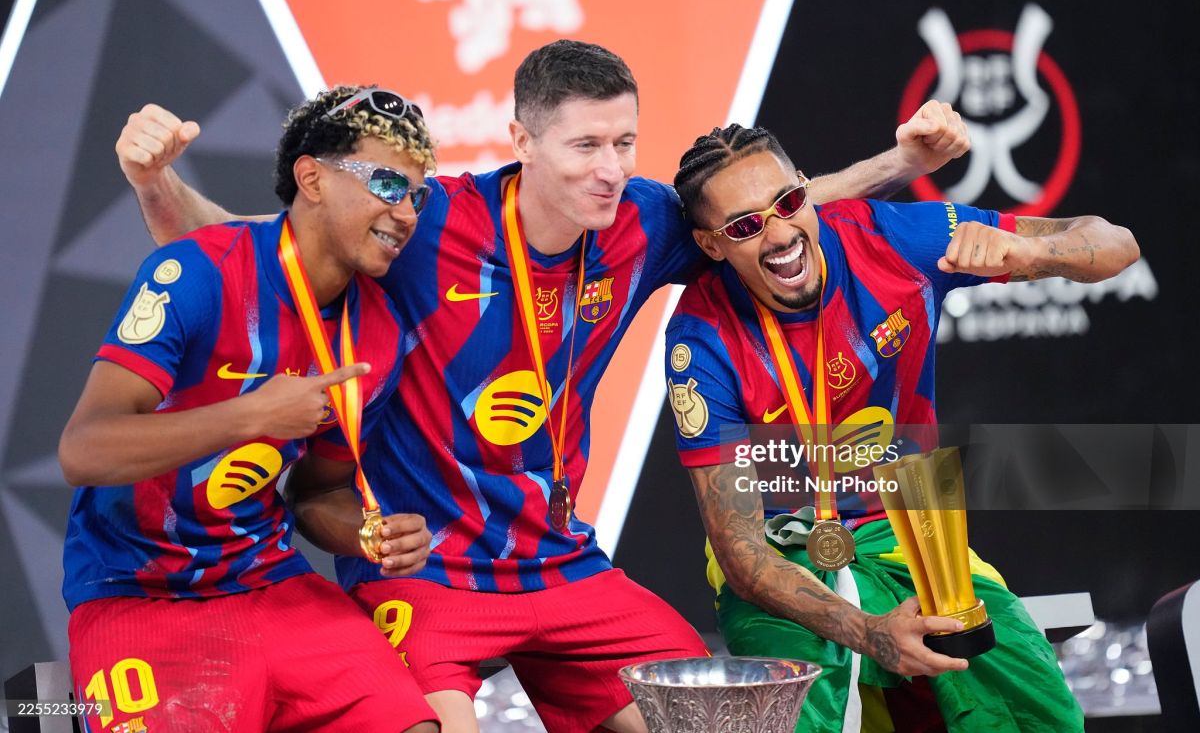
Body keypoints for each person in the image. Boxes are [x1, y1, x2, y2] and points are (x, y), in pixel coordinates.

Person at [116, 40, 972, 733]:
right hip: (432, 575)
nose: (611, 168)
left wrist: (897, 161)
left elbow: (768, 213)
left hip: (561, 566)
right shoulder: (428, 223)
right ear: (523, 143)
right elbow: (256, 252)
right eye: (585, 146)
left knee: (717, 721)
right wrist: (157, 183)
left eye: (624, 142)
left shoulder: (639, 221)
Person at [664, 122, 1139, 731]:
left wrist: (1029, 254)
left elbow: (1115, 243)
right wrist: (869, 633)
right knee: (798, 709)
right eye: (744, 226)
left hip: (913, 529)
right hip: (783, 551)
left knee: (1032, 705)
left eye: (788, 202)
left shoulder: (890, 241)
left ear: (807, 190)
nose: (780, 234)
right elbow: (743, 553)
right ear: (710, 244)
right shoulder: (700, 338)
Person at [60, 86, 440, 733]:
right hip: (135, 590)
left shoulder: (378, 333)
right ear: (311, 178)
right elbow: (83, 449)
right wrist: (249, 416)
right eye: (386, 184)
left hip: (269, 582)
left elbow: (317, 493)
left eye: (417, 196)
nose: (405, 212)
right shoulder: (196, 270)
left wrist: (368, 533)